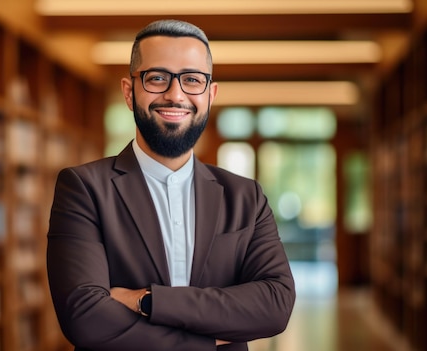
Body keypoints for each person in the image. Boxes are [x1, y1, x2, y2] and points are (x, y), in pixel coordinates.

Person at [46, 19, 295, 351]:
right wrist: (204, 343)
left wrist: (149, 301)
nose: (175, 94)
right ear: (128, 91)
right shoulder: (84, 189)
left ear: (210, 94)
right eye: (157, 78)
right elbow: (85, 317)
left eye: (192, 80)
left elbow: (275, 305)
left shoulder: (245, 197)